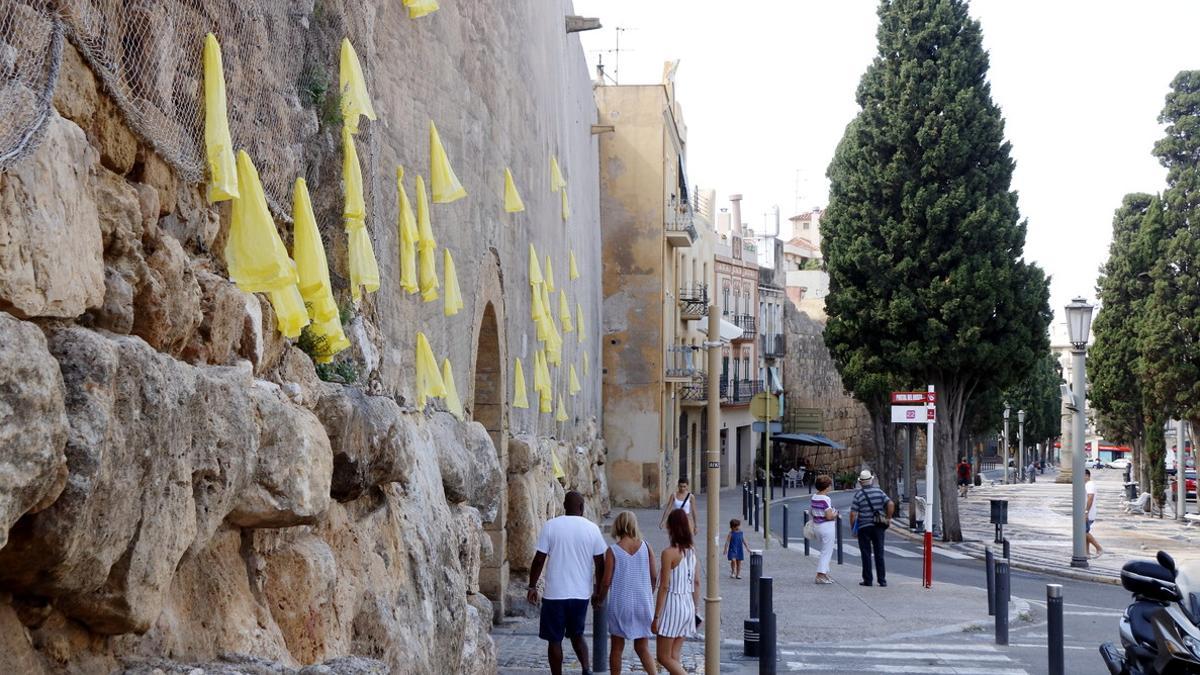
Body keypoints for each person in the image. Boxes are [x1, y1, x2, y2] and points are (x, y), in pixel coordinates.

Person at [527, 491, 607, 675]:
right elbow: (600, 564)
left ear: (564, 506)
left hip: (555, 594)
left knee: (554, 640)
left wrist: (532, 585)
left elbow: (539, 559)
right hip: (580, 594)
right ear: (582, 507)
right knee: (577, 635)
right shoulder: (592, 529)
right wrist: (598, 592)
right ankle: (586, 669)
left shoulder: (551, 526)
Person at [599, 511, 656, 675]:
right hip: (643, 602)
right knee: (642, 648)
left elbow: (606, 580)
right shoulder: (646, 546)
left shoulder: (613, 551)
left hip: (620, 604)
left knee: (617, 648)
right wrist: (648, 593)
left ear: (618, 526)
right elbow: (654, 576)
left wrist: (600, 599)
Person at [653, 509, 700, 675]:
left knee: (663, 657)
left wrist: (656, 616)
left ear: (671, 527)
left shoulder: (669, 553)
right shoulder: (692, 551)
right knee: (674, 655)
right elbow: (697, 582)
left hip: (673, 607)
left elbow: (664, 586)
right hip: (688, 605)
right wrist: (696, 609)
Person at [849, 470, 895, 587]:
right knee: (879, 553)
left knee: (866, 553)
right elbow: (890, 504)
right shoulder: (879, 492)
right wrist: (888, 518)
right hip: (878, 526)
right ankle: (882, 580)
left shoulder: (858, 495)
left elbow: (853, 514)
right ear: (871, 480)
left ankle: (868, 580)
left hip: (864, 527)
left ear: (860, 482)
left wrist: (854, 529)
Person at [811, 474, 838, 584]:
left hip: (817, 525)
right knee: (826, 551)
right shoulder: (826, 499)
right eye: (830, 485)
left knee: (825, 550)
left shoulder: (814, 496)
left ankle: (825, 574)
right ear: (826, 487)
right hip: (827, 526)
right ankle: (820, 575)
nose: (831, 487)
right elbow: (828, 516)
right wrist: (835, 514)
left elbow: (811, 511)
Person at [1085, 469, 1104, 558]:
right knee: (1085, 532)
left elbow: (1090, 498)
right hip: (1088, 512)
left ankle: (1098, 548)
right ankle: (1086, 553)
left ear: (1087, 475)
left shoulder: (1089, 485)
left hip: (1088, 513)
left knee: (1083, 532)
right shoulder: (1087, 485)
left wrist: (1086, 512)